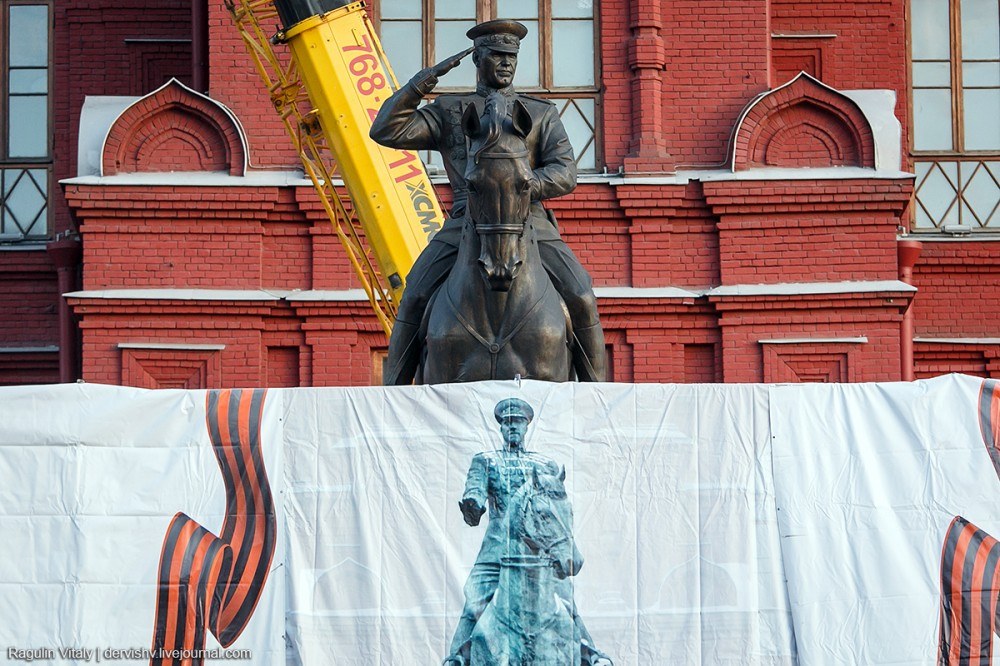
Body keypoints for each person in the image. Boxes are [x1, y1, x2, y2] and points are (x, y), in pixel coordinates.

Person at [370, 19, 606, 385]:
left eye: (511, 56)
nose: (506, 63)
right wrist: (423, 83)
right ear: (478, 59)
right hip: (464, 224)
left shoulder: (540, 114)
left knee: (581, 293)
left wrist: (522, 185)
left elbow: (565, 172)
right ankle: (393, 398)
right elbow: (386, 129)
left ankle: (597, 399)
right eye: (497, 55)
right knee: (414, 295)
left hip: (529, 221)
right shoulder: (450, 111)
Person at [443, 398, 612, 666]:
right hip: (497, 547)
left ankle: (589, 652)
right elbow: (474, 490)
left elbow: (555, 505)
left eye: (517, 422)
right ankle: (456, 658)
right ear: (500, 428)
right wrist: (472, 505)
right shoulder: (486, 461)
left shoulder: (543, 464)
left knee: (565, 596)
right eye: (507, 422)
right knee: (476, 593)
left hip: (537, 550)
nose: (512, 427)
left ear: (526, 426)